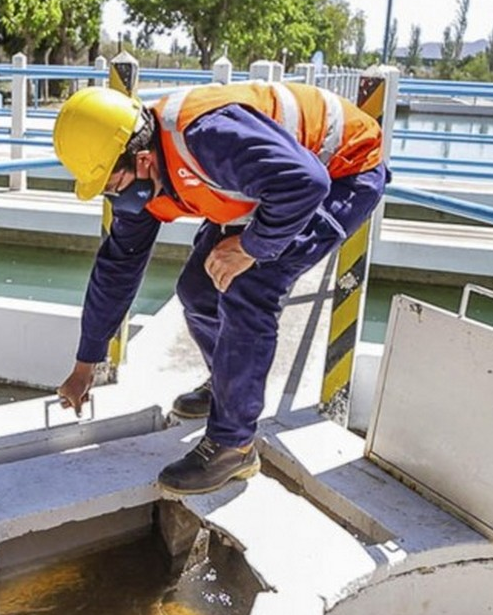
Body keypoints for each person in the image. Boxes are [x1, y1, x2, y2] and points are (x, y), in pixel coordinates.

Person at [51, 80, 388, 495]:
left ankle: (235, 446)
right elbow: (117, 266)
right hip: (274, 186)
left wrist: (250, 246)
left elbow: (306, 184)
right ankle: (227, 387)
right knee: (198, 290)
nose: (112, 196)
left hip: (342, 173)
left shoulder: (208, 139)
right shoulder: (146, 172)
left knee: (250, 286)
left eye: (111, 184)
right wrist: (88, 361)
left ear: (141, 161)